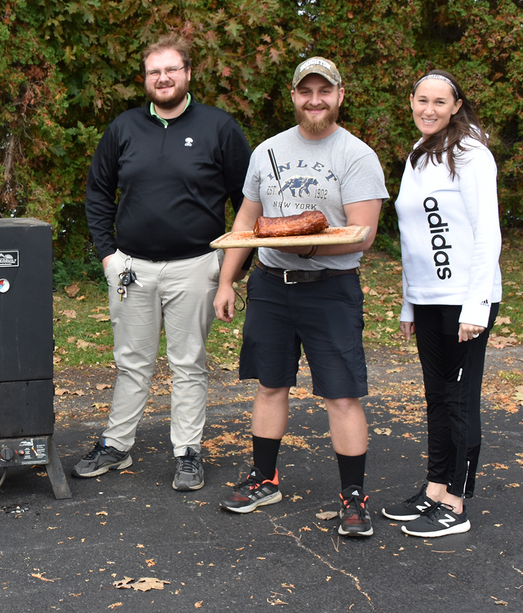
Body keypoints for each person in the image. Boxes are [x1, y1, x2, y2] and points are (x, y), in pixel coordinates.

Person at [214, 57, 388, 537]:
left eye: (324, 91)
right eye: (306, 91)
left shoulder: (356, 155)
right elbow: (246, 222)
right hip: (271, 286)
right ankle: (264, 478)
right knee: (270, 385)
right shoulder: (267, 151)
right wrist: (227, 280)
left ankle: (353, 495)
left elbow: (363, 233)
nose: (315, 100)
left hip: (331, 289)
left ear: (339, 95)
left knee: (341, 394)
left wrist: (307, 246)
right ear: (293, 96)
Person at [78, 34, 252, 491]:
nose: (163, 78)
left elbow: (248, 203)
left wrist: (234, 271)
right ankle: (116, 446)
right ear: (145, 79)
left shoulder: (219, 127)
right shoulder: (124, 128)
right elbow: (98, 193)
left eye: (171, 69)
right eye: (154, 71)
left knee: (188, 364)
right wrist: (107, 255)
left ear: (188, 73)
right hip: (130, 267)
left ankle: (188, 453)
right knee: (131, 362)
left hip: (196, 266)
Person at [381, 70, 501, 537]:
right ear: (411, 102)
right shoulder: (418, 153)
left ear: (456, 106)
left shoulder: (472, 154)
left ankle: (456, 502)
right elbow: (413, 237)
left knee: (460, 400)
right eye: (421, 100)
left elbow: (487, 233)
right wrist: (409, 302)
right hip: (428, 299)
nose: (428, 109)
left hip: (465, 300)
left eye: (439, 102)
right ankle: (434, 489)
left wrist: (476, 305)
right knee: (437, 398)